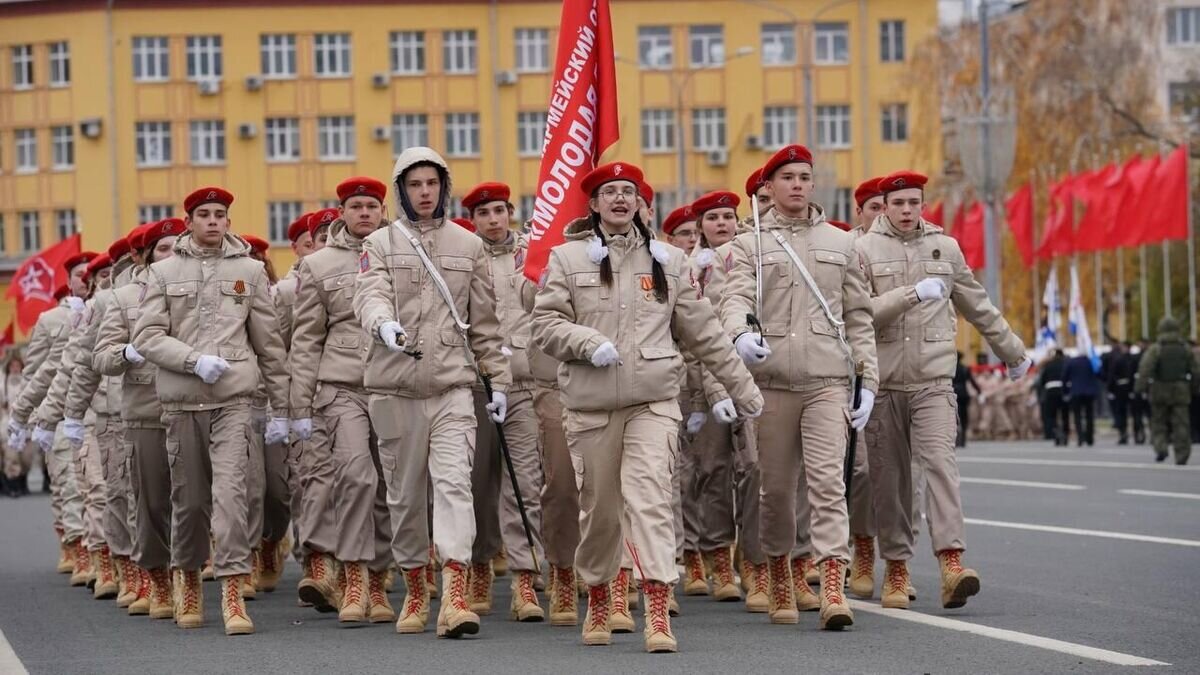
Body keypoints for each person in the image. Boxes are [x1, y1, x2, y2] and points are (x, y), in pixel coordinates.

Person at [532, 161, 762, 652]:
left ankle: (657, 608)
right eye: (609, 192)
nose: (619, 199)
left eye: (628, 192)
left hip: (653, 403)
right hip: (592, 406)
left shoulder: (668, 262)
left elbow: (703, 332)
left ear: (639, 202)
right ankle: (598, 596)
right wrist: (586, 341)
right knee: (600, 510)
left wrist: (743, 389)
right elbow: (545, 325)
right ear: (593, 204)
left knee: (651, 498)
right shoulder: (569, 258)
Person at [353, 147, 510, 640]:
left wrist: (498, 381)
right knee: (403, 497)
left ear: (444, 186)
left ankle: (455, 593)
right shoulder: (379, 243)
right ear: (401, 189)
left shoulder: (468, 245)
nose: (425, 192)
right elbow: (369, 293)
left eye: (433, 183)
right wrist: (383, 326)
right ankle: (416, 587)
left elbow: (483, 323)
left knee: (454, 487)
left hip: (452, 386)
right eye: (415, 184)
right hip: (393, 386)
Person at [855, 170, 1030, 611]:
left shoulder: (945, 248)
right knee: (890, 480)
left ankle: (952, 564)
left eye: (915, 202)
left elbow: (977, 303)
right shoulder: (862, 250)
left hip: (933, 381)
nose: (908, 211)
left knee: (940, 465)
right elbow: (858, 315)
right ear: (886, 205)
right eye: (899, 204)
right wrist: (911, 294)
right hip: (884, 382)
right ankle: (896, 565)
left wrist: (1011, 351)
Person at [720, 145, 876, 631]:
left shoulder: (842, 243)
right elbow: (734, 296)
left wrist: (868, 378)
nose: (797, 185)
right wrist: (741, 333)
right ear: (768, 186)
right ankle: (781, 575)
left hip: (827, 381)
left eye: (804, 177)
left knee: (829, 483)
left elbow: (858, 315)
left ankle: (832, 585)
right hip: (771, 384)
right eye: (787, 177)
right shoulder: (750, 244)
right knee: (777, 490)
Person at [133, 187, 291, 636]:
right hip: (183, 400)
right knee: (190, 500)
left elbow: (269, 346)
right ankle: (187, 580)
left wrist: (282, 408)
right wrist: (192, 360)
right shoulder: (163, 273)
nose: (213, 221)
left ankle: (232, 592)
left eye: (220, 214)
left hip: (233, 400)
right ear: (189, 221)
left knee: (232, 497)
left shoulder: (250, 270)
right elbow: (147, 336)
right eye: (204, 214)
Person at [290, 177, 394, 624]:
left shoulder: (401, 253)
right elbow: (306, 340)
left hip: (393, 384)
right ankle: (352, 576)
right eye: (356, 206)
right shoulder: (320, 265)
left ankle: (378, 579)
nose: (365, 213)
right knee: (356, 476)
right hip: (341, 388)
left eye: (372, 205)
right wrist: (299, 406)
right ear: (343, 212)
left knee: (392, 485)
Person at [457, 181, 546, 623]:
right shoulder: (461, 258)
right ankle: (478, 566)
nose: (494, 220)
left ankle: (524, 579)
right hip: (476, 386)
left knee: (524, 484)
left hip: (524, 385)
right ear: (472, 219)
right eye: (484, 213)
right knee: (475, 485)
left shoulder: (533, 254)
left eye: (500, 210)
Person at [96, 217, 188, 620]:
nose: (171, 255)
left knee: (191, 499)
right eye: (163, 249)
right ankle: (159, 580)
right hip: (145, 411)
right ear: (144, 256)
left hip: (191, 405)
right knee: (150, 503)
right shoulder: (121, 298)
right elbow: (100, 358)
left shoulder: (192, 286)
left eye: (175, 247)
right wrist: (127, 354)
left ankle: (188, 577)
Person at [1135, 316, 1198, 464]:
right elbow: (1196, 371)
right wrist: (1195, 388)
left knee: (1159, 422)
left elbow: (1145, 369)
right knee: (1181, 424)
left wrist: (1140, 388)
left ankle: (1161, 448)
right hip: (1180, 391)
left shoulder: (1156, 348)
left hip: (1159, 390)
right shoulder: (1185, 348)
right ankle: (1182, 454)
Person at [1063, 353, 1099, 446]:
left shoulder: (1072, 362)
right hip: (1090, 392)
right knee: (1089, 416)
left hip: (1076, 392)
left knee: (1077, 416)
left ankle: (1080, 438)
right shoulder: (1091, 361)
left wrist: (1065, 392)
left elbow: (1065, 377)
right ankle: (1090, 438)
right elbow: (1099, 374)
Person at [1036, 349, 1070, 445]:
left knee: (1052, 415)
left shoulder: (1048, 365)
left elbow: (1042, 380)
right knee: (1065, 415)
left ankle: (1056, 433)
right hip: (1063, 391)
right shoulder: (1065, 364)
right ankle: (1065, 433)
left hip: (1050, 392)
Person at [1106, 342, 1137, 444]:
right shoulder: (1134, 359)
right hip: (1131, 388)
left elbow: (1112, 375)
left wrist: (1110, 389)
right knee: (1135, 413)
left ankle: (1123, 434)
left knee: (1121, 413)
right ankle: (1137, 434)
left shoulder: (1118, 360)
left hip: (1120, 389)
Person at [952, 351, 981, 447]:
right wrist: (979, 391)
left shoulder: (950, 369)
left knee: (953, 418)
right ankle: (963, 440)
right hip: (964, 395)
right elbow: (972, 382)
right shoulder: (965, 368)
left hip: (953, 394)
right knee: (964, 418)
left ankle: (956, 440)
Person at [1131, 338, 1151, 444]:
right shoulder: (1150, 357)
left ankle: (1140, 434)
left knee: (1139, 414)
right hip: (1147, 389)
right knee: (1148, 414)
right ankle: (1142, 434)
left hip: (1140, 389)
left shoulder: (1136, 358)